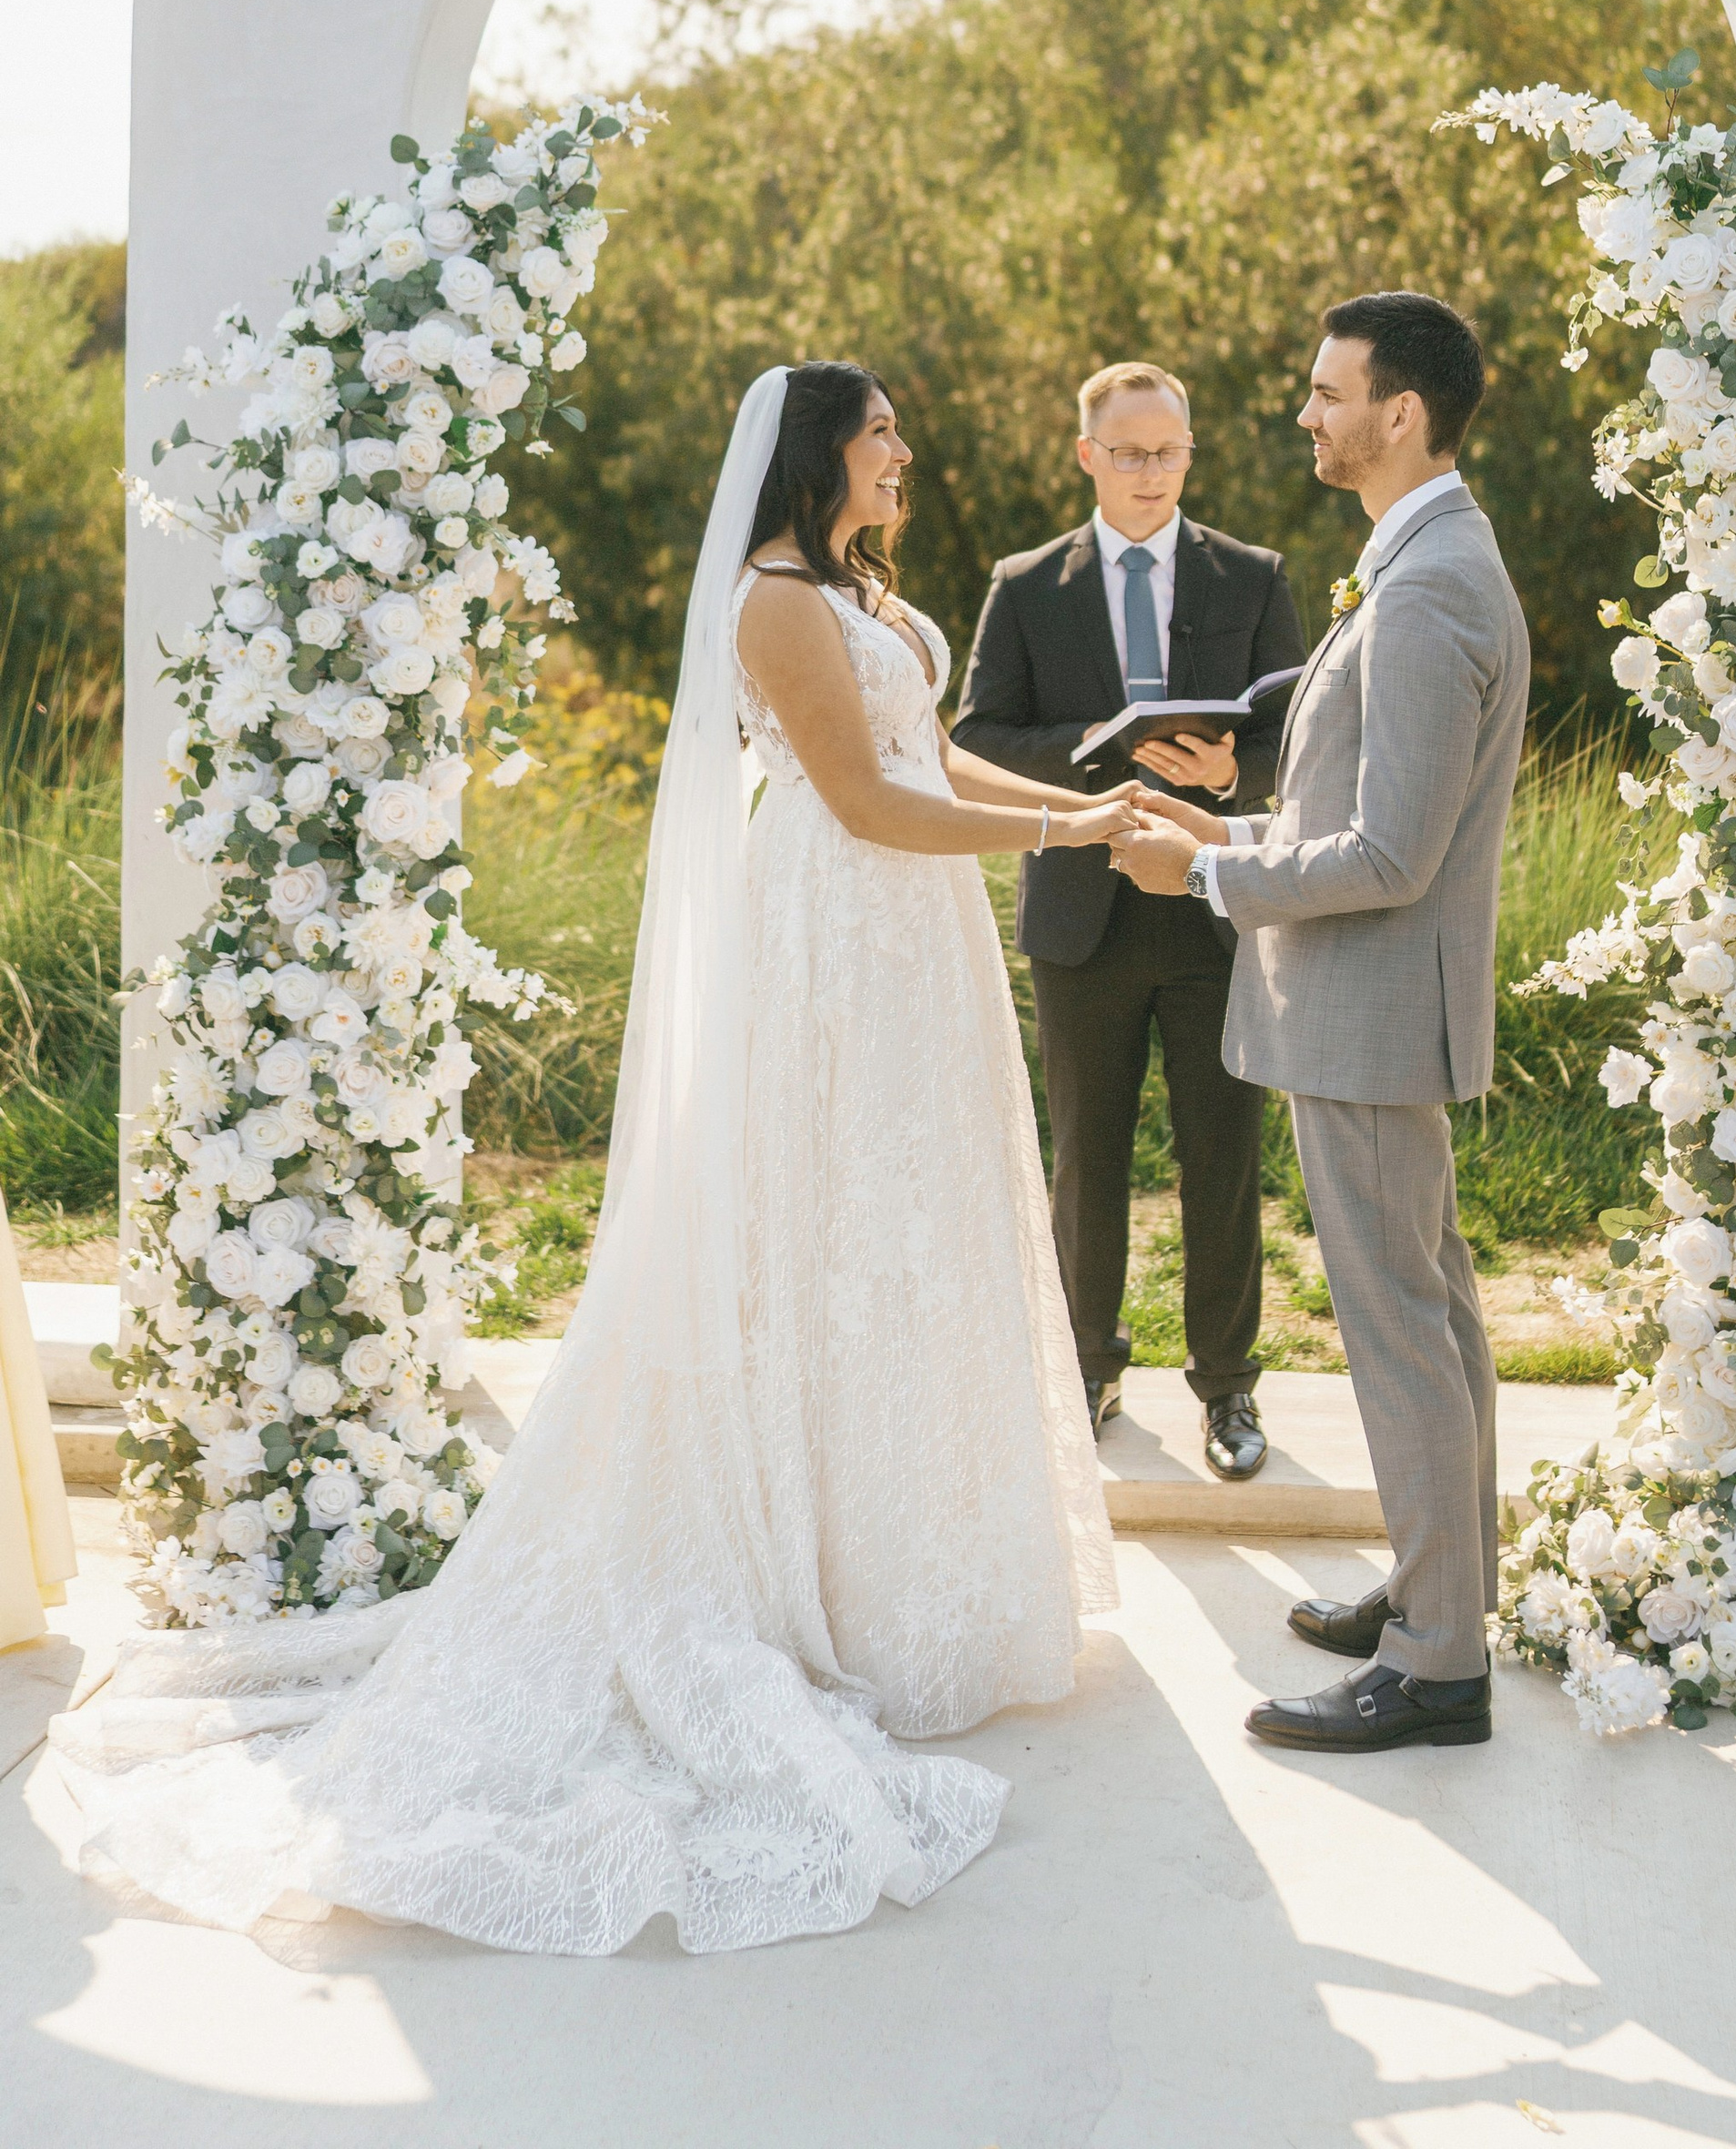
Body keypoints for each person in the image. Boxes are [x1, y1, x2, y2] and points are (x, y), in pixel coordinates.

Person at [56, 363, 1135, 1952]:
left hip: (918, 951)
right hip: (835, 943)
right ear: (818, 450)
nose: (907, 451)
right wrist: (1066, 839)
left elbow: (935, 763)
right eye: (886, 429)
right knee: (826, 1245)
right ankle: (814, 1589)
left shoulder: (859, 589)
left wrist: (1085, 807)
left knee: (911, 1244)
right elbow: (861, 801)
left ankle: (921, 1578)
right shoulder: (776, 599)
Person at [1111, 293, 1528, 1755]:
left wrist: (1210, 872)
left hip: (1367, 1013)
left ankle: (1436, 1664)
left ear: (1399, 413)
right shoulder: (1421, 556)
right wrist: (1219, 815)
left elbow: (1391, 858)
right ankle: (1442, 1595)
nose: (1305, 415)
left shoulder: (1425, 591)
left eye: (1326, 393)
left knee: (1402, 1327)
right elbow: (1355, 810)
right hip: (1373, 1009)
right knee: (1441, 1312)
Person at [955, 362, 1304, 1479]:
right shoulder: (1024, 584)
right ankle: (1089, 1371)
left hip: (1215, 906)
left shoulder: (1251, 577)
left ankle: (1228, 1393)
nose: (1151, 471)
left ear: (1191, 453)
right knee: (1086, 1158)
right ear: (1087, 455)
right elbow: (975, 741)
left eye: (1169, 451)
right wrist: (1099, 755)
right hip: (1083, 911)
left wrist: (1228, 764)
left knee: (1223, 1156)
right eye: (1129, 451)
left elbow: (1300, 739)